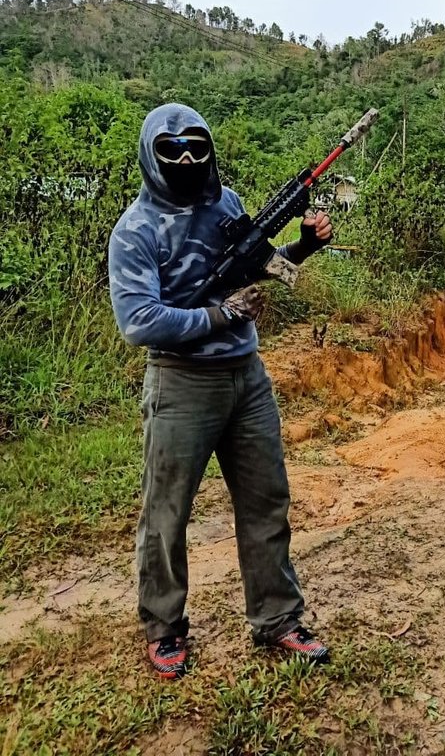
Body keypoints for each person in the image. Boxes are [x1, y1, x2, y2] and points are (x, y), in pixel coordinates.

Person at [108, 103, 332, 680]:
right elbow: (139, 321)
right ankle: (164, 629)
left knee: (266, 501)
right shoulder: (134, 231)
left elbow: (253, 273)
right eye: (171, 151)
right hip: (180, 383)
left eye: (195, 149)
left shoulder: (226, 205)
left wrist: (303, 247)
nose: (185, 160)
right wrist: (217, 316)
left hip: (246, 376)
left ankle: (278, 620)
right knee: (166, 514)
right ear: (150, 156)